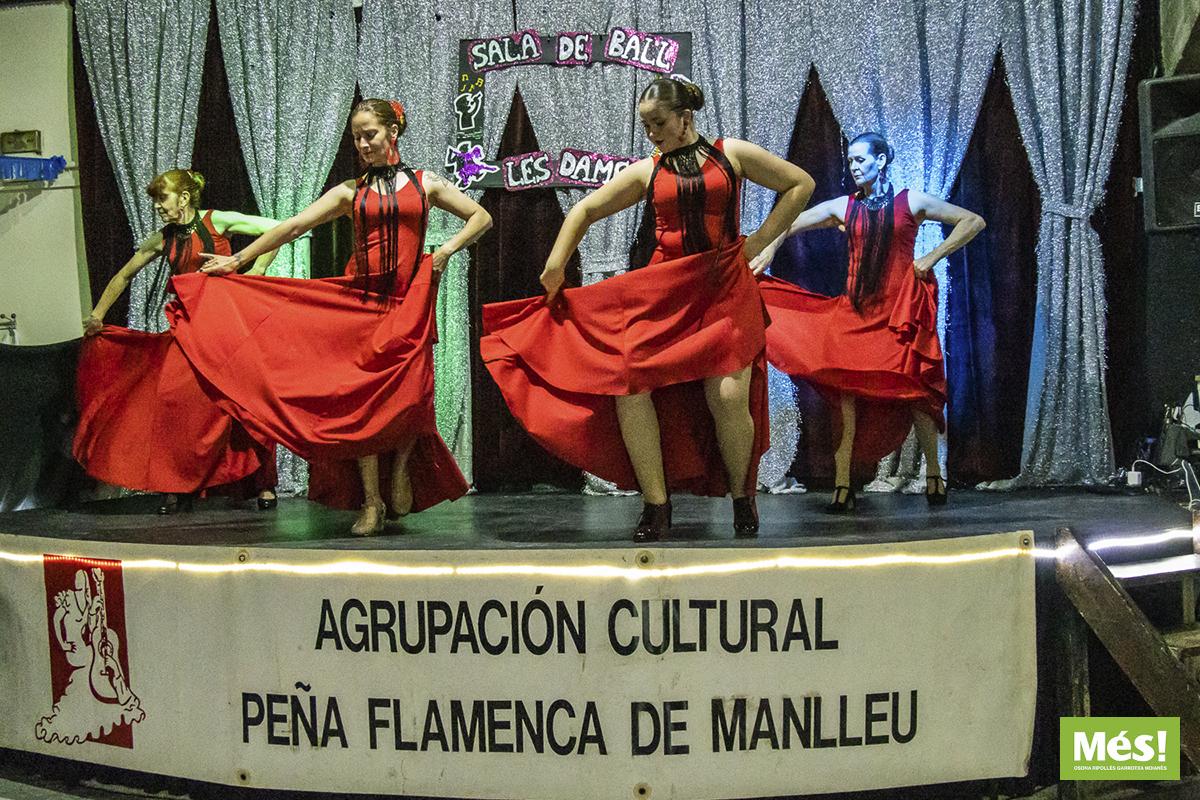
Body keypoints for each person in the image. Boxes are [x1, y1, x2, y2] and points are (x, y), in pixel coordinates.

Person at [481, 78, 814, 541]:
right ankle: (656, 503)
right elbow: (584, 211)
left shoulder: (731, 153)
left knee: (728, 397)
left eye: (658, 123)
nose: (652, 133)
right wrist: (555, 265)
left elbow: (800, 184)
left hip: (723, 288)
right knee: (629, 382)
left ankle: (743, 495)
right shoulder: (648, 170)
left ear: (685, 117)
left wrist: (759, 240)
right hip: (665, 292)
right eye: (646, 126)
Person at [196, 99, 491, 535]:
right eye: (356, 137)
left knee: (412, 397)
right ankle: (371, 501)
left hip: (410, 302)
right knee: (362, 404)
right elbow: (292, 226)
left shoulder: (425, 182)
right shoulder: (350, 191)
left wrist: (445, 251)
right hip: (362, 305)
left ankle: (400, 469)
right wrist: (236, 261)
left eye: (370, 134)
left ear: (392, 132)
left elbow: (481, 217)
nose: (363, 144)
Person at [751, 132, 985, 513]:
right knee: (846, 396)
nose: (854, 166)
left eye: (861, 159)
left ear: (881, 160)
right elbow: (790, 222)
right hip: (855, 315)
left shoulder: (910, 201)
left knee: (916, 392)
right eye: (850, 161)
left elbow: (972, 221)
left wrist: (932, 257)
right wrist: (771, 248)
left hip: (897, 317)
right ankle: (843, 485)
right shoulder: (845, 207)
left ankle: (934, 473)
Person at [75, 169, 281, 512]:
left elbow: (277, 228)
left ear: (184, 198)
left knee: (244, 402)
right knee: (174, 404)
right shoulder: (163, 238)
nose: (157, 206)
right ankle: (178, 484)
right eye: (155, 200)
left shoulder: (217, 221)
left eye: (162, 198)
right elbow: (124, 275)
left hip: (226, 325)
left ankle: (264, 484)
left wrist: (254, 269)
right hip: (188, 326)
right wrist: (98, 314)